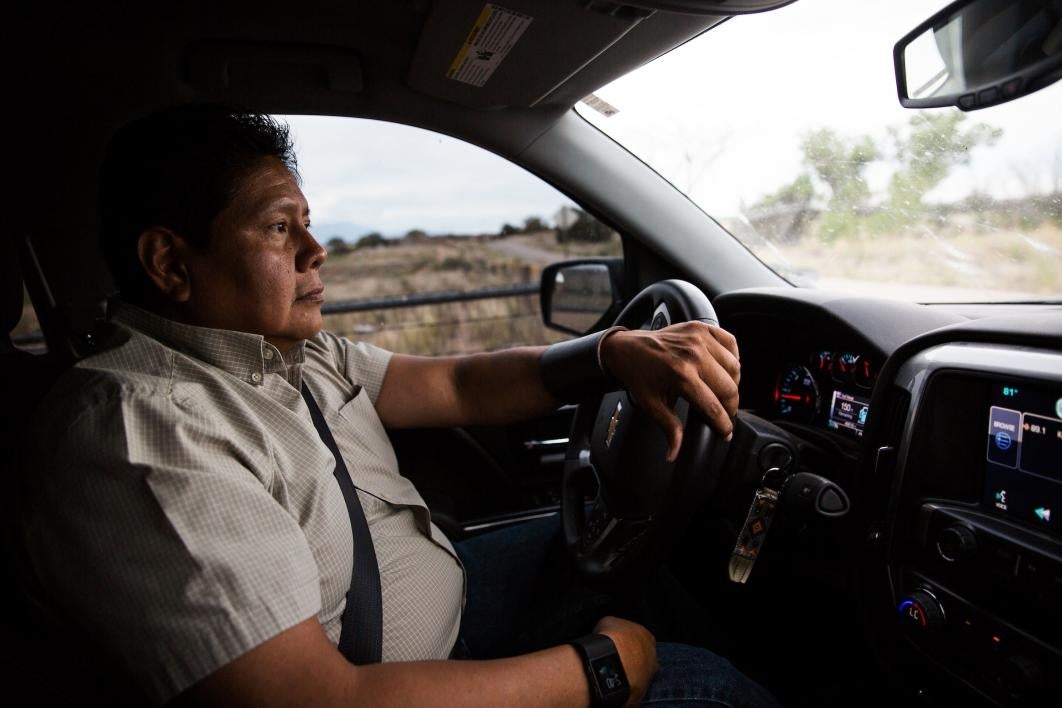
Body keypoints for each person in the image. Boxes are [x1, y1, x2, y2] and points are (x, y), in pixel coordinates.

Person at [17, 105, 779, 707]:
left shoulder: (292, 353)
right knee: (707, 685)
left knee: (633, 562)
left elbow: (459, 385)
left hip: (439, 599)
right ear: (170, 263)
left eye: (309, 225)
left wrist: (610, 352)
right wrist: (601, 672)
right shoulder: (143, 434)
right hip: (383, 680)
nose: (317, 253)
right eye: (281, 228)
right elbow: (315, 702)